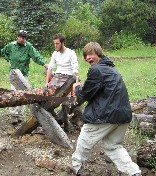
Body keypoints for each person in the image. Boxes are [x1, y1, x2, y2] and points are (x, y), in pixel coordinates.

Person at [71, 42, 141, 176]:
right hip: (123, 115)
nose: (87, 58)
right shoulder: (112, 70)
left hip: (106, 114)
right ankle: (134, 172)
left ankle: (77, 167)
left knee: (85, 138)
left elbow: (85, 95)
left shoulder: (96, 70)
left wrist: (77, 88)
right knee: (113, 146)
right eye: (85, 56)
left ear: (98, 53)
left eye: (90, 54)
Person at [1, 29, 48, 125]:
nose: (21, 39)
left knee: (23, 93)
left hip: (23, 74)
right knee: (14, 92)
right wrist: (8, 59)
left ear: (25, 38)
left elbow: (36, 56)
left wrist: (44, 63)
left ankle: (19, 114)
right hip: (14, 74)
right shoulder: (11, 45)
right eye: (20, 37)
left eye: (23, 38)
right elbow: (3, 51)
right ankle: (13, 115)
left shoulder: (28, 46)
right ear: (17, 36)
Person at [45, 33, 79, 132]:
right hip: (57, 76)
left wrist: (74, 85)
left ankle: (66, 125)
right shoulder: (55, 54)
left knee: (65, 103)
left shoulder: (71, 53)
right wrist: (47, 82)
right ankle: (55, 120)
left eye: (57, 43)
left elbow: (75, 70)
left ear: (63, 43)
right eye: (54, 44)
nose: (55, 46)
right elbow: (50, 68)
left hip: (68, 77)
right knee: (46, 97)